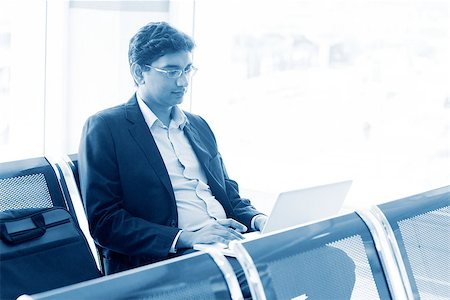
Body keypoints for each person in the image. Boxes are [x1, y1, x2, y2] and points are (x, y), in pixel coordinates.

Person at [79, 21, 267, 275]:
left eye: (188, 69)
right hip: (169, 259)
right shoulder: (106, 127)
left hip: (225, 246)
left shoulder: (198, 125)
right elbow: (105, 222)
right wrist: (187, 237)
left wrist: (258, 220)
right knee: (274, 277)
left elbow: (228, 194)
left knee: (326, 257)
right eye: (171, 71)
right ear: (138, 73)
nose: (183, 81)